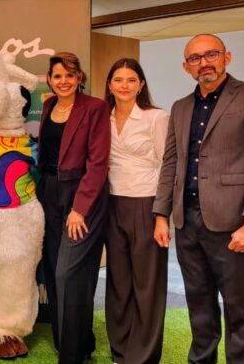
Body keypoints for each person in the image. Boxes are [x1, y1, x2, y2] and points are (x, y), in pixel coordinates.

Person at [153, 34, 244, 363]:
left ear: (227, 57)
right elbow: (171, 163)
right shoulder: (181, 107)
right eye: (195, 59)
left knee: (240, 310)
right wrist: (161, 215)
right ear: (186, 67)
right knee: (199, 305)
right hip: (187, 222)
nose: (204, 63)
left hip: (233, 222)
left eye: (211, 54)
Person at [37, 52, 110, 364]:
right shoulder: (49, 106)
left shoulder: (95, 108)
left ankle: (72, 354)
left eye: (69, 75)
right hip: (49, 192)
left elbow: (98, 163)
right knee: (54, 270)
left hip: (82, 195)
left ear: (79, 77)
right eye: (58, 76)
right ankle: (74, 342)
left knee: (71, 274)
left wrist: (79, 208)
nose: (63, 81)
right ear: (49, 79)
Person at [103, 58, 169, 364]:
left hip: (146, 203)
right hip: (111, 203)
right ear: (109, 85)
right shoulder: (102, 116)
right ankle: (120, 351)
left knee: (147, 284)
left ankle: (142, 356)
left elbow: (168, 166)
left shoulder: (156, 117)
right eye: (118, 79)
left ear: (141, 85)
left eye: (131, 80)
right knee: (118, 282)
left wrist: (162, 215)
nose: (124, 85)